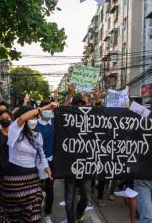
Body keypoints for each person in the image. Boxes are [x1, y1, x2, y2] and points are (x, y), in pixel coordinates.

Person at [1, 103, 56, 222]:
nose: (34, 120)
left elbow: (41, 154)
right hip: (14, 182)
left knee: (34, 216)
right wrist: (46, 107)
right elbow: (21, 118)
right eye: (32, 117)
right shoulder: (13, 130)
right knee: (16, 218)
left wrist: (46, 168)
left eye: (36, 118)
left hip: (33, 180)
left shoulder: (37, 135)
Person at [63, 86, 92, 223]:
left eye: (82, 104)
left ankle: (79, 213)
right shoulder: (67, 121)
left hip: (86, 164)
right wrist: (69, 95)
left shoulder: (91, 120)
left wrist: (97, 101)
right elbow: (62, 112)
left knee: (86, 196)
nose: (80, 107)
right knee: (69, 199)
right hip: (69, 164)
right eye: (77, 104)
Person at [36, 101, 55, 223]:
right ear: (41, 111)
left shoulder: (54, 122)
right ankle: (35, 213)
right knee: (36, 189)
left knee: (50, 189)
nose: (49, 111)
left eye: (51, 109)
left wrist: (69, 94)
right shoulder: (34, 124)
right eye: (46, 109)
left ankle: (47, 214)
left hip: (51, 161)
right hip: (36, 162)